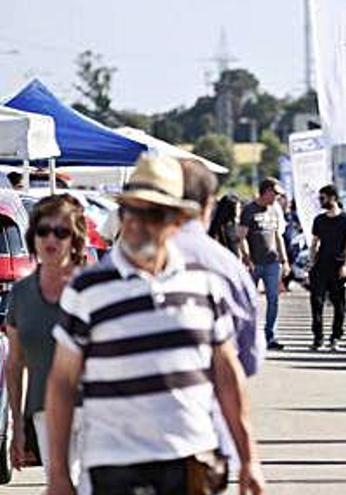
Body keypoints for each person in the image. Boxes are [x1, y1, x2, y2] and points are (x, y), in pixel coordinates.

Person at [44, 153, 264, 495]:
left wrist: (249, 458)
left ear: (177, 220)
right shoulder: (89, 289)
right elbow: (61, 383)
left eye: (154, 213)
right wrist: (58, 475)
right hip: (114, 466)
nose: (137, 223)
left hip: (191, 461)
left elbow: (227, 375)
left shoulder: (205, 284)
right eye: (130, 210)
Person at [5, 194, 89, 489]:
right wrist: (16, 428)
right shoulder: (22, 294)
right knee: (62, 481)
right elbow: (14, 364)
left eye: (61, 231)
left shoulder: (93, 288)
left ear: (75, 239)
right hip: (45, 409)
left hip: (96, 408)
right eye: (43, 230)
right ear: (33, 236)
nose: (50, 238)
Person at [175, 160, 264, 375]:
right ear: (208, 205)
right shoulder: (224, 266)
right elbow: (249, 356)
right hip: (201, 393)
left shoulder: (110, 268)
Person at [239, 178, 290, 351]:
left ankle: (270, 335)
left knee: (273, 300)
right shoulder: (249, 210)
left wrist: (284, 260)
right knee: (249, 301)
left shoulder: (274, 211)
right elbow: (242, 237)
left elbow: (277, 236)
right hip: (254, 263)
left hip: (272, 262)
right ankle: (249, 335)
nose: (276, 197)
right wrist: (247, 258)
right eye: (274, 194)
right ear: (266, 191)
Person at [308, 184, 346, 351]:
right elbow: (314, 243)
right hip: (320, 266)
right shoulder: (319, 220)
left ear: (333, 198)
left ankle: (335, 338)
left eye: (323, 198)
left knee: (339, 304)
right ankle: (317, 338)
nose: (320, 201)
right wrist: (311, 262)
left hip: (338, 267)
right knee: (316, 302)